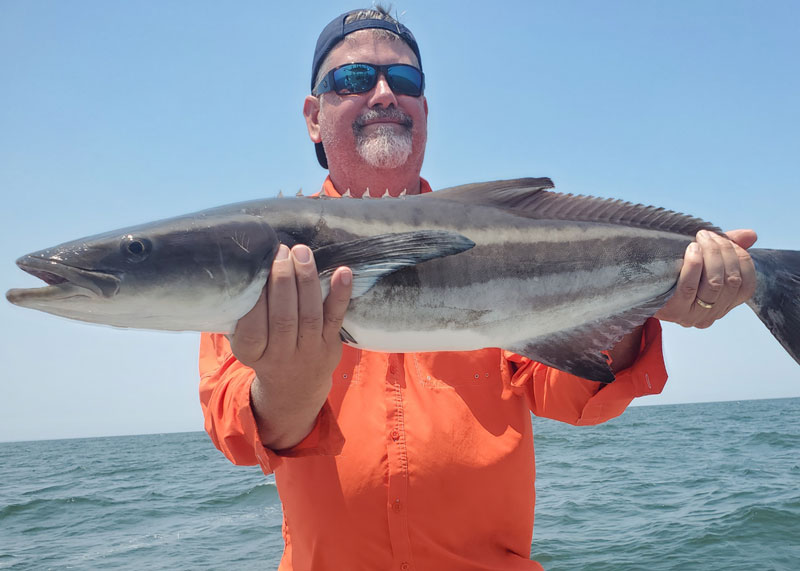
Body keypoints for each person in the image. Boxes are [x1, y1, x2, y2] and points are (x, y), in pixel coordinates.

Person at [199, 7, 756, 570]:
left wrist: (638, 310)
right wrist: (288, 386)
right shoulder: (264, 256)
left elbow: (570, 396)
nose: (386, 93)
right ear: (314, 117)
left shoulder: (498, 240)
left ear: (424, 110)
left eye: (406, 80)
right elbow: (237, 433)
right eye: (354, 79)